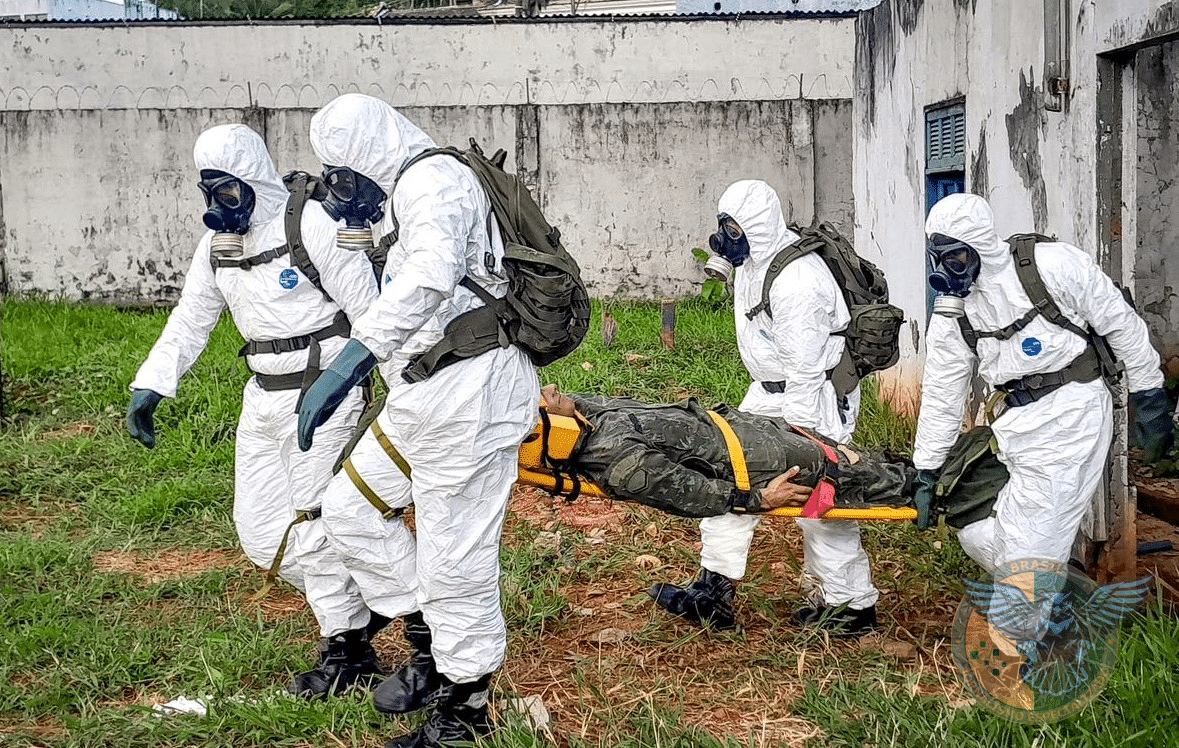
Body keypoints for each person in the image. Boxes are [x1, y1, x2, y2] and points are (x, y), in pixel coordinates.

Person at [295, 94, 540, 748]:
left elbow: (431, 276)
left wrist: (349, 362)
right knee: (349, 508)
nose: (339, 192)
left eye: (342, 176)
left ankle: (465, 710)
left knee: (454, 558)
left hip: (471, 402)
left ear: (372, 152)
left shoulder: (434, 181)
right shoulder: (408, 189)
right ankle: (434, 645)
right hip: (422, 398)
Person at [124, 124, 384, 696]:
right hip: (262, 395)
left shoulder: (309, 225)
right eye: (209, 191)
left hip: (324, 388)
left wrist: (366, 387)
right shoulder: (219, 246)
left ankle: (347, 647)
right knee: (262, 533)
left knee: (315, 523)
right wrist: (154, 383)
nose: (221, 204)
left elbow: (373, 312)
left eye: (231, 191)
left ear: (253, 179)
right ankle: (369, 597)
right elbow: (192, 317)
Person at [650, 180, 881, 636]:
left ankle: (852, 605)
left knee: (819, 498)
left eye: (733, 230)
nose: (725, 239)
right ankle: (714, 590)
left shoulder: (798, 280)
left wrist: (798, 437)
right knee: (727, 472)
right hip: (768, 392)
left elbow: (806, 370)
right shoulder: (756, 262)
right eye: (723, 228)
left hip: (812, 398)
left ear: (756, 226)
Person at [912, 193, 1172, 572]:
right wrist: (927, 467)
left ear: (980, 244)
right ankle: (1060, 585)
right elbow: (942, 390)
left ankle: (1024, 626)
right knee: (972, 522)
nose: (948, 268)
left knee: (1025, 550)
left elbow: (1121, 324)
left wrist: (1149, 395)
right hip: (1014, 423)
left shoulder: (1052, 266)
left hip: (1073, 412)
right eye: (939, 257)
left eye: (956, 256)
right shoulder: (955, 313)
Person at [539, 385, 915, 518]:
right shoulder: (618, 460)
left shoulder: (586, 414)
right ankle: (948, 487)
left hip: (749, 431)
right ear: (546, 430)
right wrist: (757, 499)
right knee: (861, 474)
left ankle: (925, 471)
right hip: (766, 464)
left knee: (861, 458)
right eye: (543, 397)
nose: (552, 388)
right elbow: (686, 491)